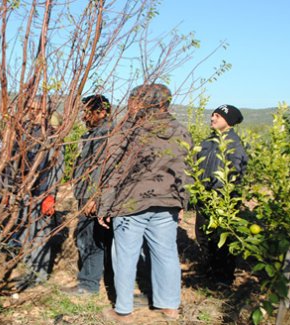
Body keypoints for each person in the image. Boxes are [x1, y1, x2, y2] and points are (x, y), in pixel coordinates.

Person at [97, 83, 191, 322]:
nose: (130, 104)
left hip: (130, 202)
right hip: (167, 201)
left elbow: (112, 169)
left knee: (125, 256)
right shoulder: (180, 130)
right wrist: (182, 202)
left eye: (133, 100)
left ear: (142, 102)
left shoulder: (129, 129)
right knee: (166, 253)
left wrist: (105, 205)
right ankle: (169, 307)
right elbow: (185, 170)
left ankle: (124, 310)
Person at [62, 95, 113, 296]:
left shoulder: (105, 135)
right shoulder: (93, 134)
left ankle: (88, 285)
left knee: (91, 240)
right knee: (92, 239)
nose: (84, 116)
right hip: (88, 195)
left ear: (101, 112)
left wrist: (93, 197)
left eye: (87, 111)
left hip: (93, 198)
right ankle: (95, 280)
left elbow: (100, 169)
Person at [12, 95, 63, 288]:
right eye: (31, 108)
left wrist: (50, 194)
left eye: (38, 109)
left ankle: (38, 276)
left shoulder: (52, 135)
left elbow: (57, 166)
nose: (34, 112)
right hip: (25, 191)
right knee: (26, 232)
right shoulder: (25, 132)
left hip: (42, 192)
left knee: (40, 234)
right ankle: (29, 271)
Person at [195, 104, 248, 285]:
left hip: (222, 199)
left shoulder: (235, 144)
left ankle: (223, 278)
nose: (213, 118)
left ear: (229, 121)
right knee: (203, 235)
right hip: (204, 198)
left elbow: (237, 174)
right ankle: (209, 272)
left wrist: (225, 197)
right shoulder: (207, 142)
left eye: (217, 115)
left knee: (222, 238)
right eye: (212, 115)